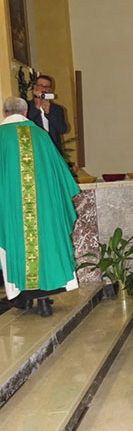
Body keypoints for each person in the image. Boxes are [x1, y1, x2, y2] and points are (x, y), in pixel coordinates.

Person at [0, 97, 79, 316]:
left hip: (11, 212)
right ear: (25, 113)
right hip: (44, 212)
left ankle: (21, 298)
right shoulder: (41, 136)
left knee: (14, 246)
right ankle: (43, 300)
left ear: (5, 113)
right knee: (44, 246)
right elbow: (61, 177)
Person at [27, 74, 68, 154]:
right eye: (41, 86)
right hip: (35, 149)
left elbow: (63, 129)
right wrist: (37, 108)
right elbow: (25, 125)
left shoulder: (57, 109)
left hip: (53, 149)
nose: (44, 89)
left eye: (47, 87)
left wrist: (49, 113)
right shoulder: (27, 106)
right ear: (35, 87)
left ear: (50, 90)